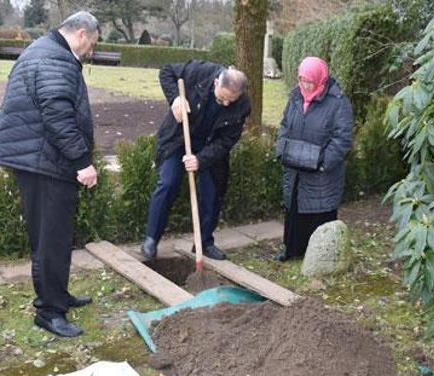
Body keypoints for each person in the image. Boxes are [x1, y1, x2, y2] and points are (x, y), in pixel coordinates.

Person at [0, 11, 100, 338]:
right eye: (91, 44)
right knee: (51, 239)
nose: (91, 51)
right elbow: (58, 117)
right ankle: (50, 312)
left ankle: (57, 294)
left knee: (53, 236)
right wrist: (82, 162)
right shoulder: (56, 60)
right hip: (45, 163)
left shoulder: (44, 50)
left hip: (39, 159)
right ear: (80, 33)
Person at [140, 61, 251, 261]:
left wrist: (200, 160)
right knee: (168, 183)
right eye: (223, 98)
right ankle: (151, 239)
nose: (226, 104)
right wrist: (175, 99)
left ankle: (204, 242)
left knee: (212, 192)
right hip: (179, 138)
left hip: (210, 148)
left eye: (230, 101)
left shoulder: (242, 105)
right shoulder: (200, 72)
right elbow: (166, 70)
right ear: (216, 82)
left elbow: (226, 141)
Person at [274, 56, 354, 261]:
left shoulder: (338, 102)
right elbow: (284, 126)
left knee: (318, 212)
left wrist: (322, 163)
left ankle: (319, 258)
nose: (305, 85)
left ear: (320, 79)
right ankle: (291, 250)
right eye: (301, 79)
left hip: (321, 174)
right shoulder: (295, 97)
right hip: (295, 170)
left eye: (309, 81)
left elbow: (342, 139)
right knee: (294, 211)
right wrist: (283, 149)